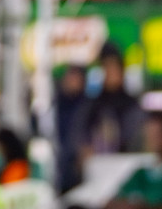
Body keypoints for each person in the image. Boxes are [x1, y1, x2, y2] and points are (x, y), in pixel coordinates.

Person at [82, 46, 145, 162]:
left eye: (113, 67)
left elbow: (137, 139)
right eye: (106, 67)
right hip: (101, 166)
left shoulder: (131, 105)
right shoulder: (94, 106)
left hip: (127, 164)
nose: (110, 73)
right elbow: (83, 139)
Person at [54, 63, 90, 192]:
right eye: (70, 76)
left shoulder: (89, 107)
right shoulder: (55, 105)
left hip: (79, 170)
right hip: (58, 169)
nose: (72, 81)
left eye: (76, 77)